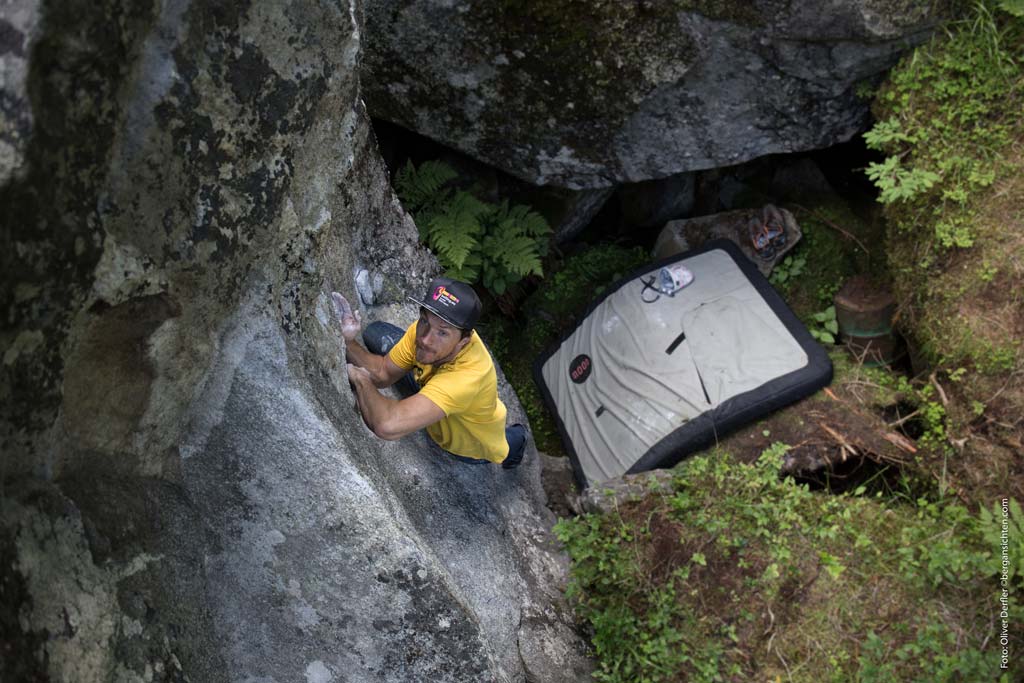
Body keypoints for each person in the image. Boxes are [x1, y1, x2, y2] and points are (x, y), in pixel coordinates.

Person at [332, 277, 527, 469]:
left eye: (442, 333)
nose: (425, 339)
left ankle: (517, 440)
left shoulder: (467, 378)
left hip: (467, 440)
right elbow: (383, 373)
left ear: (463, 342)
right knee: (375, 333)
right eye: (424, 321)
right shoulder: (425, 334)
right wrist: (347, 340)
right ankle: (425, 391)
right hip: (436, 386)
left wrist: (360, 380)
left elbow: (387, 425)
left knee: (502, 444)